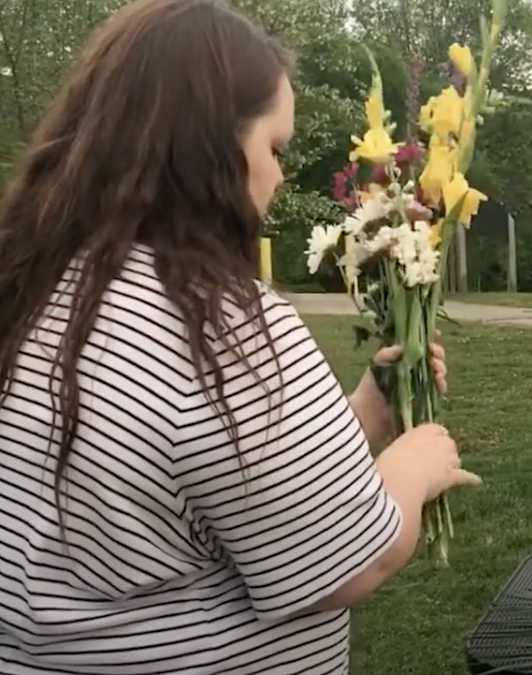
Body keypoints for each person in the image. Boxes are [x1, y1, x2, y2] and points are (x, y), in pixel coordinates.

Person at [0, 0, 481, 673]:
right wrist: (413, 468)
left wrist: (370, 406)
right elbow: (346, 562)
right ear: (210, 148)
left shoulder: (43, 289)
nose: (280, 175)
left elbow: (220, 484)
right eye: (274, 148)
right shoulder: (216, 326)